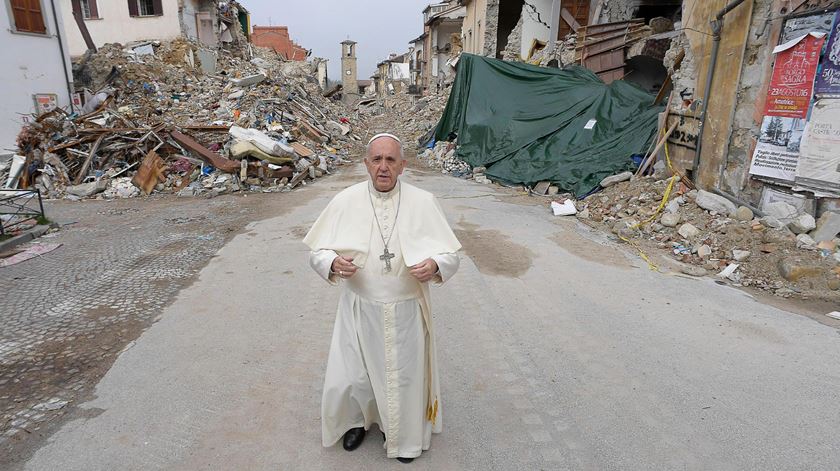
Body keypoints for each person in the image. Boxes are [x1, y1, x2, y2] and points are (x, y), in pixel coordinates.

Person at [303, 133, 461, 463]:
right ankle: (357, 422)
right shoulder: (346, 200)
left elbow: (451, 255)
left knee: (402, 376)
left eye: (391, 160)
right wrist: (331, 262)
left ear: (403, 165)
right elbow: (317, 250)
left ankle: (402, 436)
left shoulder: (423, 201)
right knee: (356, 374)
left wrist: (435, 264)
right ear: (366, 164)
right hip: (359, 307)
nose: (383, 167)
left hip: (406, 309)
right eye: (377, 159)